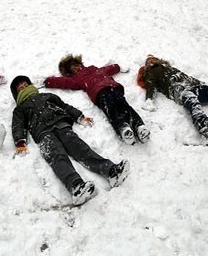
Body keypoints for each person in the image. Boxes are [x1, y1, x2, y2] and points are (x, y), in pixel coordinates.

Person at [10, 75, 130, 206]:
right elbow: (18, 125)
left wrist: (79, 116)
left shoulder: (47, 96)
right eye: (20, 87)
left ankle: (111, 171)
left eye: (25, 84)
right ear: (17, 94)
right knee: (57, 156)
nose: (24, 87)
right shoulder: (20, 109)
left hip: (61, 124)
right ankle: (76, 186)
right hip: (43, 132)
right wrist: (20, 142)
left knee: (81, 149)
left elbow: (65, 107)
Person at [44, 54, 150, 145]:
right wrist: (48, 81)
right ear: (69, 72)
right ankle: (123, 128)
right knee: (111, 108)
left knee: (124, 105)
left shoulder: (93, 68)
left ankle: (139, 126)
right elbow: (64, 82)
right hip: (99, 93)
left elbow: (106, 69)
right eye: (72, 68)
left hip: (112, 86)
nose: (76, 68)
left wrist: (117, 67)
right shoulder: (76, 79)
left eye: (75, 65)